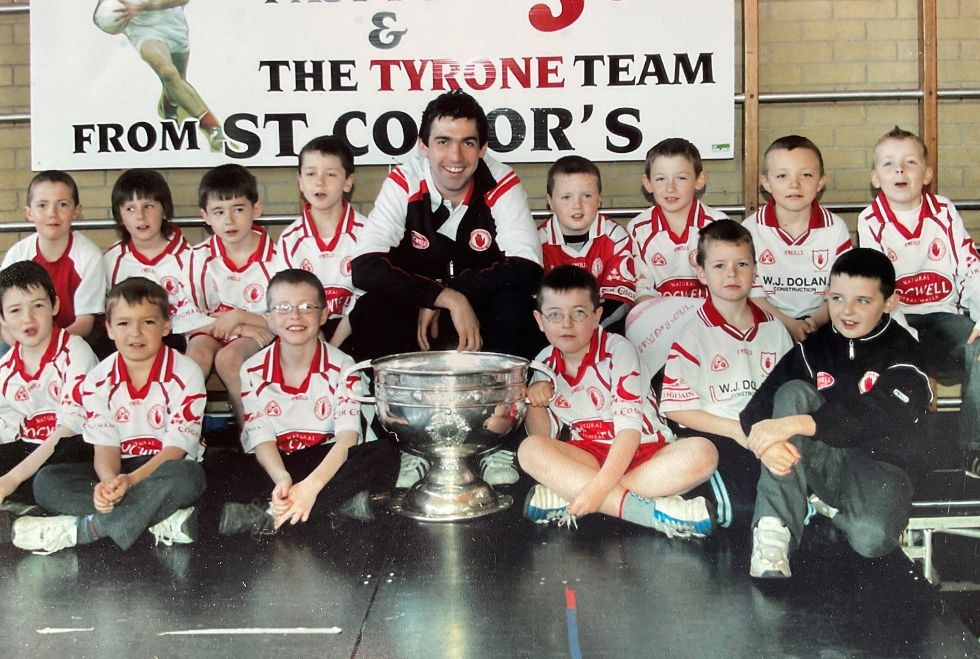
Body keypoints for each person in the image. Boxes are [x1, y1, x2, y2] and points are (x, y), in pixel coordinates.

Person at [740, 248, 930, 578]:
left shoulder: (906, 351)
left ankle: (826, 506)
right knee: (793, 392)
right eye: (837, 298)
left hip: (881, 467)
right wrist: (768, 446)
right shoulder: (815, 346)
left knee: (870, 539)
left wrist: (798, 423)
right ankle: (773, 531)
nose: (847, 311)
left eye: (863, 301)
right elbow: (755, 411)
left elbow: (877, 415)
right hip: (826, 458)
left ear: (889, 302)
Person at [9, 278, 206, 554]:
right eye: (123, 323)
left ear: (166, 325)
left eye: (148, 322)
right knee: (47, 481)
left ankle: (84, 530)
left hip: (162, 467)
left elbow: (177, 449)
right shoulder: (98, 379)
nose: (135, 333)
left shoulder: (187, 372)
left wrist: (131, 482)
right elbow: (105, 447)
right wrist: (108, 483)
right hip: (120, 469)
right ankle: (158, 517)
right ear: (109, 329)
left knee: (188, 476)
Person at [517, 265, 716, 537]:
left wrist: (595, 491)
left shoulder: (619, 350)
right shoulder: (543, 362)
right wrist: (535, 401)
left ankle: (573, 496)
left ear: (597, 316)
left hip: (643, 452)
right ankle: (650, 512)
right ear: (540, 320)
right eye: (554, 315)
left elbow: (629, 434)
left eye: (578, 313)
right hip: (589, 456)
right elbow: (543, 435)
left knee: (704, 453)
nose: (566, 324)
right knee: (529, 450)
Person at [347, 89, 544, 362]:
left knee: (514, 307)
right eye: (443, 141)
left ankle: (506, 389)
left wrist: (455, 291)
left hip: (478, 309)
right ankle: (388, 390)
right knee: (373, 309)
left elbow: (528, 267)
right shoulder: (406, 180)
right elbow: (364, 267)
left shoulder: (500, 180)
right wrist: (438, 296)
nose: (456, 156)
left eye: (468, 143)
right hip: (417, 308)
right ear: (423, 146)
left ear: (483, 148)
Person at [216, 269, 399, 536]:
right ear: (269, 318)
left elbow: (347, 439)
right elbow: (262, 440)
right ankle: (334, 507)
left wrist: (310, 487)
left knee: (383, 453)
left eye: (306, 307)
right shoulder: (251, 369)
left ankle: (268, 514)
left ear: (324, 314)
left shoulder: (343, 365)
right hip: (279, 465)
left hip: (324, 462)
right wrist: (282, 479)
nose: (295, 316)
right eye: (283, 308)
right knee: (217, 465)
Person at [858, 126, 980, 478]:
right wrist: (903, 333)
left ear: (927, 174)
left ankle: (974, 450)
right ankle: (898, 456)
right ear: (875, 178)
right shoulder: (870, 221)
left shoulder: (944, 212)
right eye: (889, 163)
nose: (900, 169)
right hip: (898, 321)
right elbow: (877, 289)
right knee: (881, 358)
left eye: (910, 162)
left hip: (942, 319)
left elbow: (970, 268)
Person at [660, 220, 793, 528]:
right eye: (719, 265)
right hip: (720, 434)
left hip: (765, 433)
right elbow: (676, 409)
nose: (732, 274)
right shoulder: (691, 334)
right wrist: (736, 430)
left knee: (791, 496)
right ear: (701, 273)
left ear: (755, 270)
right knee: (742, 511)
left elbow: (790, 392)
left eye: (741, 264)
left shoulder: (774, 328)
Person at [0, 262, 97, 535]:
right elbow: (7, 426)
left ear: (55, 306)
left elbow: (71, 428)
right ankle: (32, 513)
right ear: (2, 318)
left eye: (38, 306)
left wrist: (11, 479)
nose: (28, 319)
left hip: (73, 451)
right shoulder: (5, 369)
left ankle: (29, 509)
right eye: (15, 310)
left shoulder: (75, 352)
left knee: (48, 479)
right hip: (32, 453)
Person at [186, 164, 276, 428]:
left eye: (238, 209)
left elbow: (283, 316)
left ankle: (252, 435)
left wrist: (241, 318)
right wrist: (237, 324)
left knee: (229, 359)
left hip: (260, 331)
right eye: (219, 212)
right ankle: (185, 438)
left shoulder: (277, 257)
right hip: (212, 329)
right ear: (205, 216)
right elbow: (185, 315)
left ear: (256, 209)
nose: (229, 220)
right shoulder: (197, 257)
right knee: (195, 359)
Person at [744, 135, 852, 343]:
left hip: (822, 322)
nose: (794, 184)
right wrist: (789, 324)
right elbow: (752, 295)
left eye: (806, 175)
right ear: (766, 183)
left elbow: (843, 290)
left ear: (821, 182)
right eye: (782, 176)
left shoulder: (835, 228)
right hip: (767, 322)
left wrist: (815, 322)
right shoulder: (750, 230)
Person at [103, 169, 210, 345]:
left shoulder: (190, 258)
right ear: (119, 217)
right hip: (128, 341)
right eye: (130, 209)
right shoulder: (111, 260)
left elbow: (198, 317)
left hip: (174, 337)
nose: (140, 216)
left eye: (148, 206)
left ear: (165, 211)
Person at [275, 136, 363, 347]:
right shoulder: (290, 239)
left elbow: (366, 302)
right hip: (308, 332)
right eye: (310, 173)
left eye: (330, 174)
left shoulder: (367, 233)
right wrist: (318, 344)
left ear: (348, 182)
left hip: (352, 329)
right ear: (300, 181)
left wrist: (333, 349)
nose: (319, 182)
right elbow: (285, 300)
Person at [1, 171, 105, 343]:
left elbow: (85, 323)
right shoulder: (18, 254)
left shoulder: (89, 256)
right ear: (29, 213)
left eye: (62, 204)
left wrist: (48, 347)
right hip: (23, 340)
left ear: (76, 211)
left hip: (72, 339)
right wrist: (19, 346)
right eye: (42, 205)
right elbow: (3, 316)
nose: (52, 213)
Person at [537, 156, 635, 335]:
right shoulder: (537, 243)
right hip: (555, 332)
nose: (577, 205)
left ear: (599, 199)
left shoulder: (616, 237)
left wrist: (585, 333)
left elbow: (619, 302)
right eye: (566, 197)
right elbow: (537, 305)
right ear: (550, 201)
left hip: (602, 329)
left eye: (587, 196)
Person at [112, 0, 223, 150]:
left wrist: (142, 7)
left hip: (174, 26)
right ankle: (211, 126)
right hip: (143, 31)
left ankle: (169, 103)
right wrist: (111, 20)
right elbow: (104, 15)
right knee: (168, 72)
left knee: (178, 81)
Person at [627, 138, 729, 300]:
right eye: (660, 179)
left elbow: (729, 285)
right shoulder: (639, 229)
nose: (670, 188)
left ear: (699, 180)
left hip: (710, 312)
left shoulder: (719, 224)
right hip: (659, 313)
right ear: (648, 183)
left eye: (681, 178)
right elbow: (642, 290)